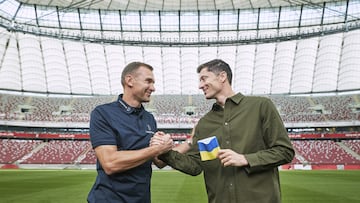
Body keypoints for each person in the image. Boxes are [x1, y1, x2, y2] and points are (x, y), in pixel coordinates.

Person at [156, 59, 295, 203]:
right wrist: (164, 152)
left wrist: (245, 159)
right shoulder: (205, 123)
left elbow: (284, 151)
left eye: (204, 79)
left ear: (222, 77)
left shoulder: (260, 106)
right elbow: (196, 165)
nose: (200, 86)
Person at [87, 62, 173, 203]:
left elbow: (159, 162)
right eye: (148, 81)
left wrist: (190, 142)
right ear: (129, 80)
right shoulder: (103, 113)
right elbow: (110, 163)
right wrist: (156, 149)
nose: (153, 88)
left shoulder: (149, 118)